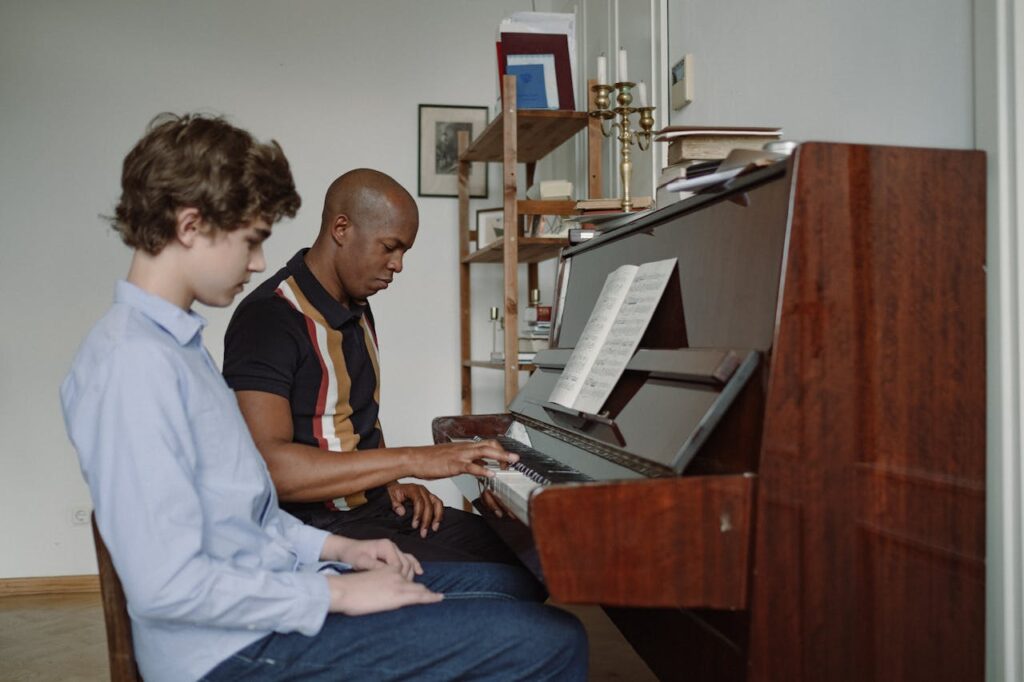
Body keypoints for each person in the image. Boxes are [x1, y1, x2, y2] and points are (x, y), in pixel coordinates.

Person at [60, 113, 587, 682]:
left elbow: (247, 514)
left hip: (275, 597)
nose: (260, 261)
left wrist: (341, 551)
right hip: (231, 652)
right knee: (552, 642)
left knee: (509, 588)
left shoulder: (176, 348)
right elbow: (167, 587)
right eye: (251, 240)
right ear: (190, 225)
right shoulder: (131, 365)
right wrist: (334, 596)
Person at [222, 169, 517, 564]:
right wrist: (414, 461)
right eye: (390, 247)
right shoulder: (270, 317)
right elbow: (268, 468)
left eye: (404, 253)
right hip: (320, 531)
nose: (397, 265)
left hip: (375, 510)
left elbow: (351, 421)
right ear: (341, 229)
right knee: (505, 580)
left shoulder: (357, 307)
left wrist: (391, 482)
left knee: (523, 551)